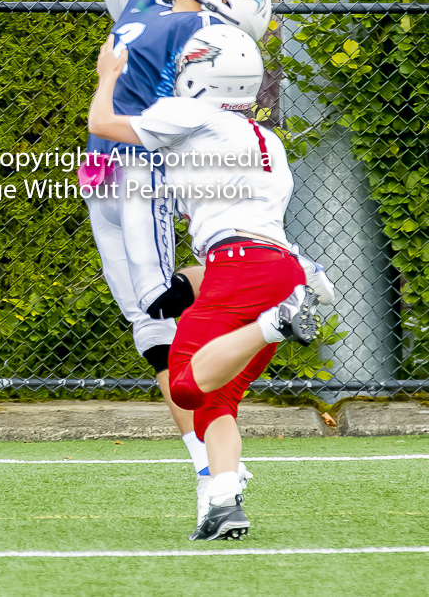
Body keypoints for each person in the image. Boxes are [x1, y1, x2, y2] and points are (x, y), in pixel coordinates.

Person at [68, 0, 272, 513]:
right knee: (150, 331)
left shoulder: (194, 41)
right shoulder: (146, 5)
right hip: (104, 173)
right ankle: (211, 475)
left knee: (159, 305)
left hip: (140, 171)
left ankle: (276, 298)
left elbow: (201, 122)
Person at [87, 27, 335, 541]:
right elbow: (230, 240)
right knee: (215, 401)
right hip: (276, 267)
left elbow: (103, 123)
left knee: (183, 382)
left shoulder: (195, 115)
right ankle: (224, 501)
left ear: (201, 75)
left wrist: (107, 75)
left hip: (243, 267)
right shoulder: (267, 141)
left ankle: (275, 325)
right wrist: (179, 287)